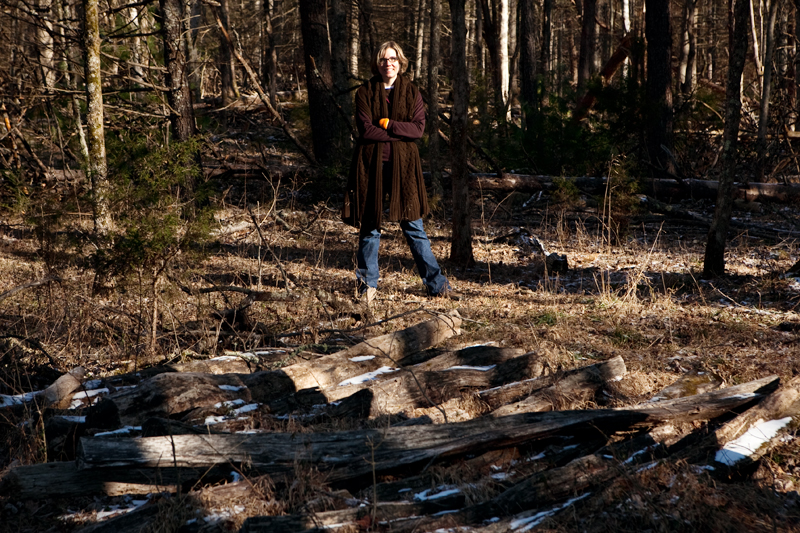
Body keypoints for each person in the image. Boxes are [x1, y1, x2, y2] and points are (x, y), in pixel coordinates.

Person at [342, 41, 455, 304]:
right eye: (383, 59)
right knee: (370, 227)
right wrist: (398, 133)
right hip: (371, 166)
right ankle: (367, 288)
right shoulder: (365, 92)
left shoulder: (412, 91)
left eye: (393, 59)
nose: (388, 63)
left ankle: (437, 285)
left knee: (414, 226)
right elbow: (365, 131)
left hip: (404, 169)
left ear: (400, 62)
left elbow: (417, 130)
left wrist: (389, 124)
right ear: (377, 63)